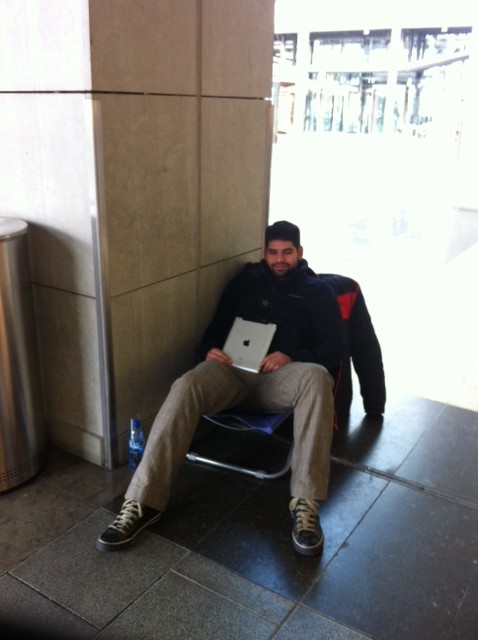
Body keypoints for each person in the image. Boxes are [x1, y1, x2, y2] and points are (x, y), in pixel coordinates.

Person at [96, 221, 344, 556]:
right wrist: (209, 349)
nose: (279, 259)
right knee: (186, 384)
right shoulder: (245, 281)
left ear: (300, 253)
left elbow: (334, 349)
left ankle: (305, 506)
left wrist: (293, 356)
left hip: (280, 379)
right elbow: (215, 328)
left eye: (287, 252)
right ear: (264, 253)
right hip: (232, 372)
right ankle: (140, 503)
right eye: (273, 252)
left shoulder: (318, 292)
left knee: (317, 377)